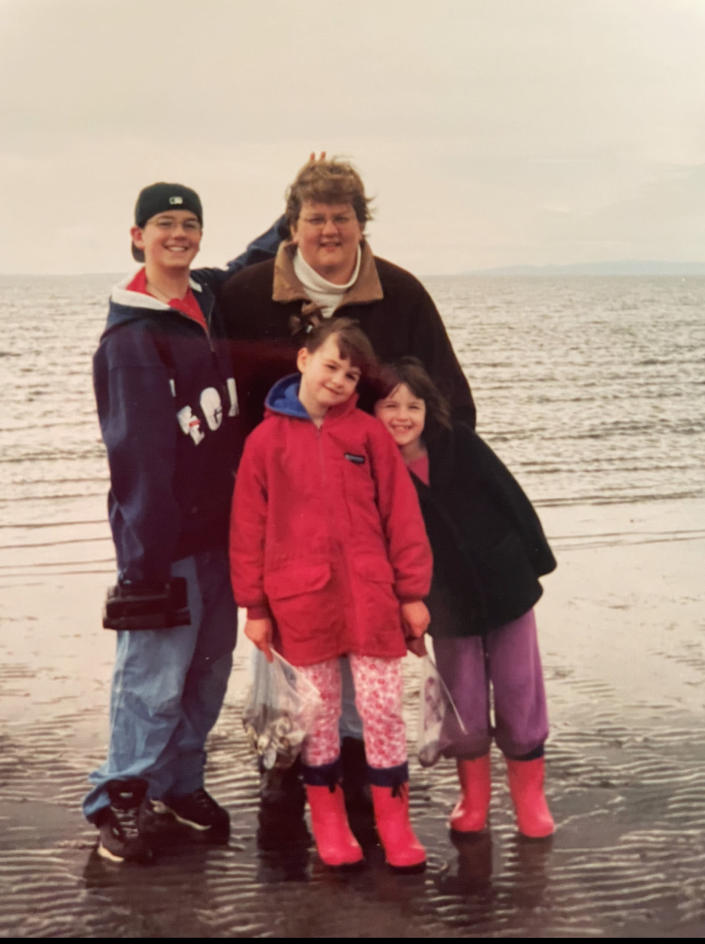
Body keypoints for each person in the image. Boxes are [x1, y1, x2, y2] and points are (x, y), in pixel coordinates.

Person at [217, 155, 475, 801]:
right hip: (284, 506)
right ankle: (282, 760)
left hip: (369, 512)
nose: (327, 230)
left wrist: (424, 488)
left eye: (341, 217)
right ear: (291, 225)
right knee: (283, 641)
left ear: (362, 224)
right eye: (313, 218)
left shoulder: (402, 292)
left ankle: (359, 768)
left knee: (365, 641)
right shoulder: (245, 293)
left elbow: (450, 402)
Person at [84, 182, 281, 864]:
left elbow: (251, 257)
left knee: (206, 670)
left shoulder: (205, 300)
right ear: (136, 236)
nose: (178, 234)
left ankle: (177, 783)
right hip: (162, 544)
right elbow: (135, 456)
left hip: (222, 531)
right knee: (152, 677)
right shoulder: (131, 337)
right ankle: (122, 799)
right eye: (163, 223)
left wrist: (293, 209)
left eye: (189, 223)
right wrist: (144, 563)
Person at [229, 319, 433, 870]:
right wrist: (255, 607)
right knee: (317, 717)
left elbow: (402, 517)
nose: (340, 380)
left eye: (351, 373)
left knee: (382, 708)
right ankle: (329, 822)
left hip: (371, 601)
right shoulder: (264, 442)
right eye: (331, 365)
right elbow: (247, 530)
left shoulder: (368, 435)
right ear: (303, 359)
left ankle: (395, 823)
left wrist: (412, 592)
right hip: (300, 606)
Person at [373, 357, 557, 840]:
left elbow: (511, 497)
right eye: (389, 405)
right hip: (445, 604)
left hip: (505, 584)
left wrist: (537, 563)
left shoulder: (461, 444)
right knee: (463, 701)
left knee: (520, 690)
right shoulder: (376, 468)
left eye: (413, 405)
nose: (402, 416)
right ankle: (474, 799)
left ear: (428, 409)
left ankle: (530, 799)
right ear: (371, 411)